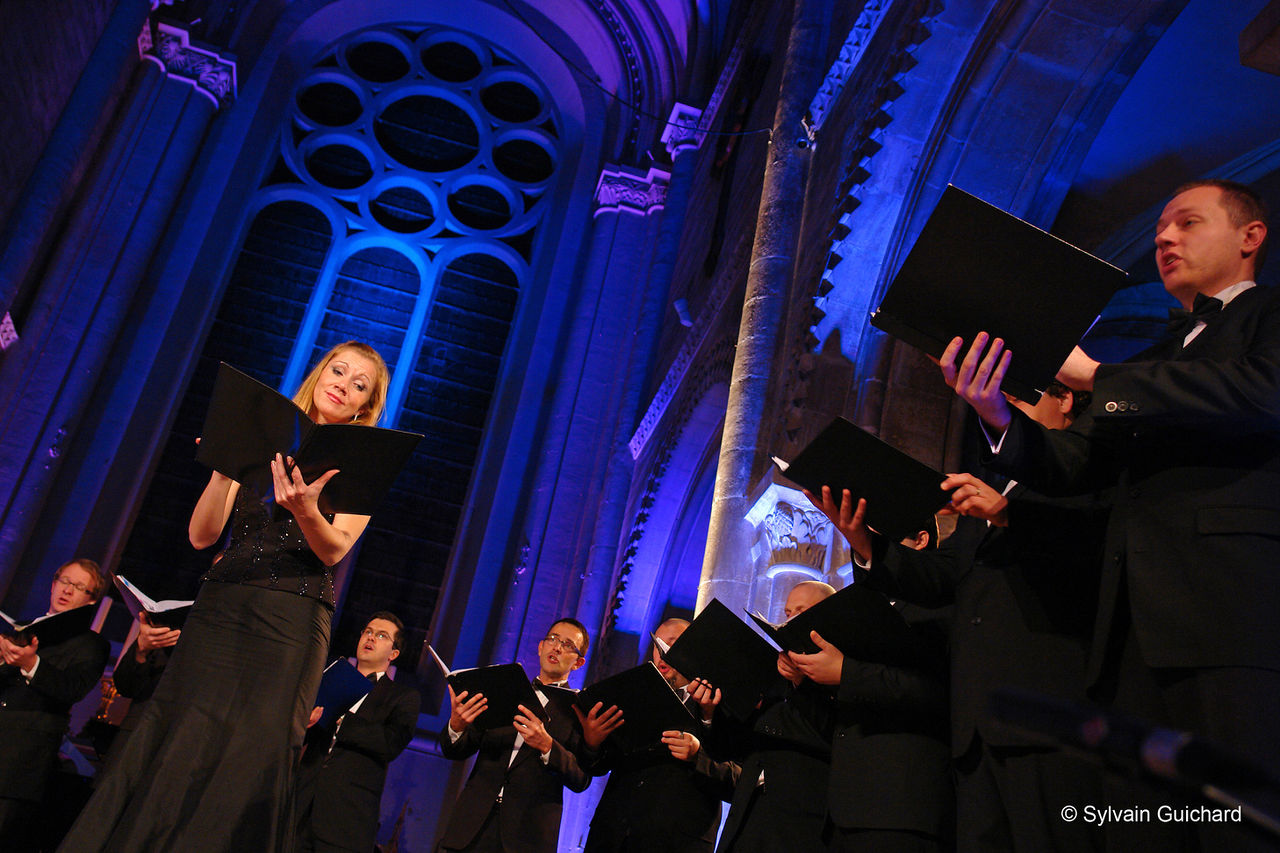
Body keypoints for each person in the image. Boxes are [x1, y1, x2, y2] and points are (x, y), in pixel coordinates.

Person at [940, 179, 1279, 851]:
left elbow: (1261, 391)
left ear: (1250, 236)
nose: (1163, 238)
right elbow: (1075, 463)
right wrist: (998, 416)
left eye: (1186, 222)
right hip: (1129, 637)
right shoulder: (1155, 356)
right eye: (1158, 228)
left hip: (1229, 616)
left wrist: (1098, 377)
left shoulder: (1267, 316)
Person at [61, 341, 390, 853]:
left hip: (291, 621)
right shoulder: (263, 437)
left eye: (358, 384)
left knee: (250, 756)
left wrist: (305, 509)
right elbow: (201, 536)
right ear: (319, 373)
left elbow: (334, 551)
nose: (343, 384)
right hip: (222, 611)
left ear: (365, 407)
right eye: (338, 371)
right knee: (182, 738)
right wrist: (222, 470)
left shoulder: (365, 464)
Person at [810, 382, 1106, 852]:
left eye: (1021, 396)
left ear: (1066, 399)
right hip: (976, 727)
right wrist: (866, 544)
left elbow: (1094, 558)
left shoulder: (1089, 471)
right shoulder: (988, 494)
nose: (1002, 406)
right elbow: (944, 580)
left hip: (1046, 712)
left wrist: (1011, 517)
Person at [784, 557, 953, 851]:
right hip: (844, 809)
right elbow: (832, 728)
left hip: (901, 805)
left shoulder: (935, 604)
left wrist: (846, 672)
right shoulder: (855, 622)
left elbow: (937, 691)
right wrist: (803, 682)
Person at [437, 618, 592, 853]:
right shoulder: (505, 690)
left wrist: (548, 746)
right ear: (541, 647)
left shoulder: (578, 712)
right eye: (553, 639)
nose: (557, 647)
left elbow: (582, 777)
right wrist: (457, 725)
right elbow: (456, 750)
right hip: (472, 828)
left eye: (568, 645)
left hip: (526, 837)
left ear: (578, 663)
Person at [581, 617, 735, 853]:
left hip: (676, 843)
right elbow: (599, 766)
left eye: (672, 644)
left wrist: (698, 756)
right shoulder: (634, 695)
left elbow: (738, 782)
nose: (662, 653)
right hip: (612, 838)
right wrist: (592, 743)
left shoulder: (723, 706)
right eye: (657, 644)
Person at [713, 581, 836, 853]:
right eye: (787, 613)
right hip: (747, 819)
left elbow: (828, 735)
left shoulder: (843, 675)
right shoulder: (774, 672)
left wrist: (802, 684)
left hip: (799, 826)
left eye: (800, 612)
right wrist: (715, 710)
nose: (790, 622)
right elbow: (734, 747)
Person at [0, 558, 111, 853]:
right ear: (52, 584)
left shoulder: (91, 644)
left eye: (78, 587)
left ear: (90, 600)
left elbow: (71, 688)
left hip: (18, 763)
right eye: (64, 581)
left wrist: (31, 663)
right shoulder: (21, 628)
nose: (67, 590)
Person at [296, 611, 420, 853]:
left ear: (394, 653)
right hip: (300, 805)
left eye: (382, 635)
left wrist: (343, 720)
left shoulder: (403, 697)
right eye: (368, 631)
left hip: (346, 819)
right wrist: (306, 724)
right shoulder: (329, 679)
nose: (370, 638)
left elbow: (390, 744)